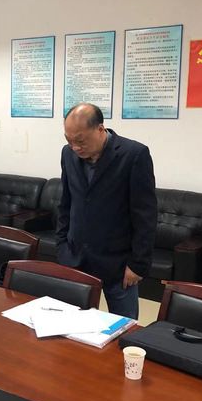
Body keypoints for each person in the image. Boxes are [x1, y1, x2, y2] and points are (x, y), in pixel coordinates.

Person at [57, 103, 157, 319]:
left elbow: (145, 215)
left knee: (123, 327)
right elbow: (66, 202)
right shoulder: (68, 154)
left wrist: (138, 264)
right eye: (69, 140)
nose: (75, 147)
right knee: (73, 324)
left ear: (100, 129)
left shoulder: (134, 155)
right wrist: (62, 245)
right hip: (76, 258)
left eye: (80, 141)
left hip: (118, 264)